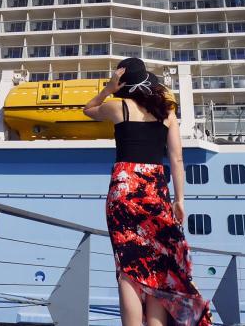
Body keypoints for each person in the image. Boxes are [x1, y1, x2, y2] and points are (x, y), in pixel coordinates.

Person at [83, 58, 212, 326]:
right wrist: (180, 200)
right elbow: (176, 160)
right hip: (155, 189)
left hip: (123, 188)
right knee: (158, 265)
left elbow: (88, 109)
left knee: (128, 269)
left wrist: (107, 89)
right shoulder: (167, 112)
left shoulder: (117, 107)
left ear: (123, 84)